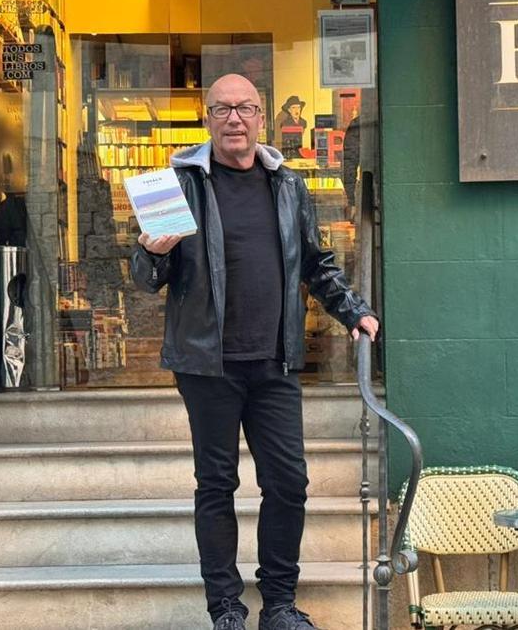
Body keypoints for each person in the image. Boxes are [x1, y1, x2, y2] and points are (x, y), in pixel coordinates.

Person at [131, 74, 378, 630]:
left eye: (244, 109)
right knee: (216, 483)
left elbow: (317, 264)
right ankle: (225, 607)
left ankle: (280, 605)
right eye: (222, 109)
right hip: (206, 363)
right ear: (207, 116)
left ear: (261, 118)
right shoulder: (176, 182)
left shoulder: (288, 185)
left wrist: (354, 311)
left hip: (274, 361)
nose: (234, 119)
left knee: (289, 482)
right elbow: (147, 278)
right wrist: (153, 252)